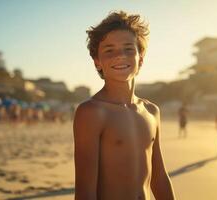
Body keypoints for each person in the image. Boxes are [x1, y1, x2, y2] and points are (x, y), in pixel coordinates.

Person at [73, 11, 175, 200]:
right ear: (97, 62)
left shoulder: (151, 112)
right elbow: (85, 191)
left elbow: (159, 178)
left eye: (129, 49)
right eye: (109, 50)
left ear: (141, 58)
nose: (120, 55)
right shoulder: (92, 112)